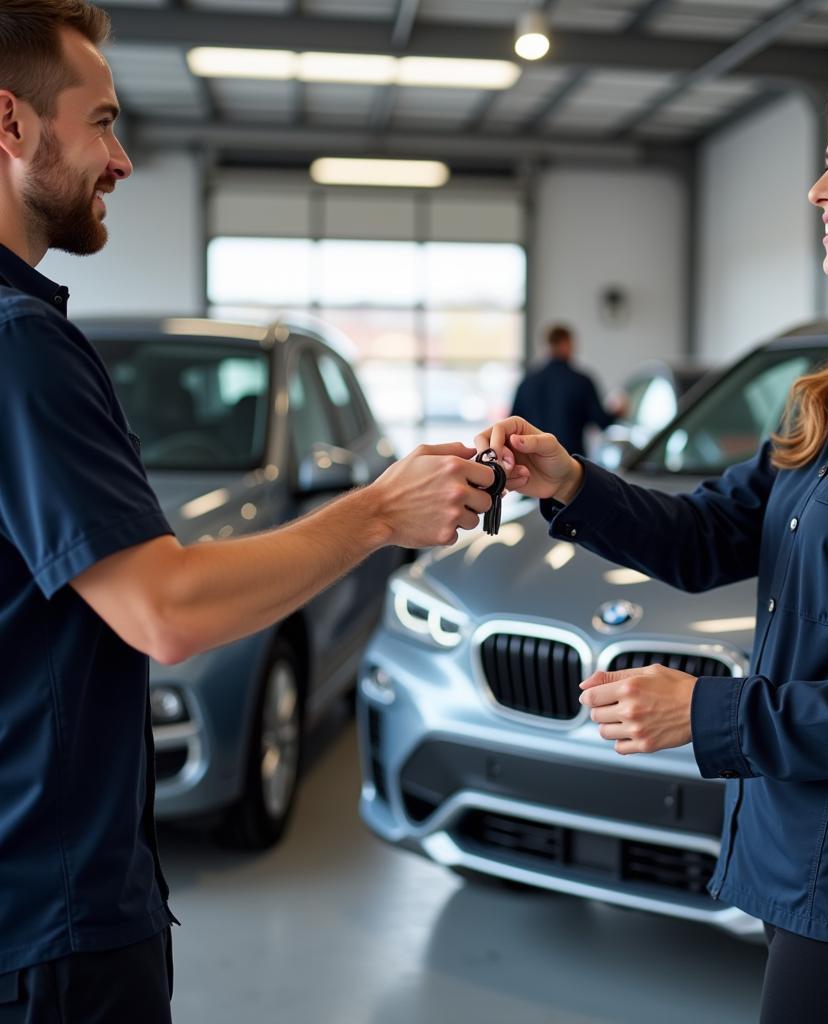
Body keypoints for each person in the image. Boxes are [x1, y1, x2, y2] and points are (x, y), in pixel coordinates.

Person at [479, 66, 828, 1024]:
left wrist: (708, 712)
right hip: (803, 866)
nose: (819, 191)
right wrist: (566, 479)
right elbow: (708, 535)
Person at [0, 3, 496, 1021]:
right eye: (101, 121)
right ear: (11, 126)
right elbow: (167, 611)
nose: (123, 158)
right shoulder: (22, 348)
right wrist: (375, 513)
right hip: (52, 916)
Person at [510, 323, 622, 458]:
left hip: (535, 463)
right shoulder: (581, 381)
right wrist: (617, 410)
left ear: (547, 345)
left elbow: (513, 424)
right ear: (566, 344)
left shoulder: (527, 382)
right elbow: (602, 422)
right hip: (571, 463)